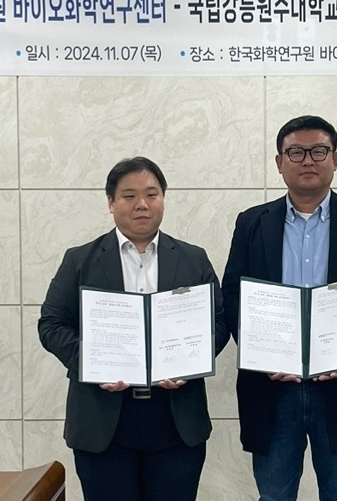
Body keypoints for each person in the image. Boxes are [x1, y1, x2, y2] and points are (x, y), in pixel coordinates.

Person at [222, 115, 337, 501]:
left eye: (318, 151)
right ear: (279, 162)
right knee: (273, 495)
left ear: (335, 159)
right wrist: (260, 352)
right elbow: (233, 296)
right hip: (271, 387)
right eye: (296, 152)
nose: (307, 160)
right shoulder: (251, 223)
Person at [38, 156, 229, 501]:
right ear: (111, 203)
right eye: (129, 196)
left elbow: (219, 321)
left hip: (175, 418)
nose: (142, 204)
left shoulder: (193, 259)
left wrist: (190, 362)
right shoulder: (80, 260)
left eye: (151, 194)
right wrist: (92, 363)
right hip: (102, 420)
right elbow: (51, 323)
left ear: (163, 199)